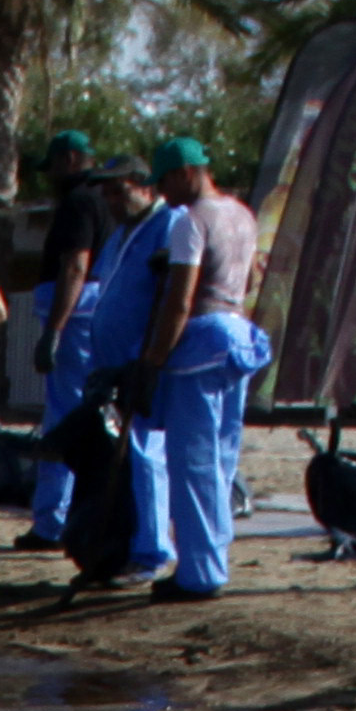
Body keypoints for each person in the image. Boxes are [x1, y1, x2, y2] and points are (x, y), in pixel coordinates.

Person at [141, 137, 271, 604]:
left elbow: (180, 298)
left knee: (192, 461)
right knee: (222, 456)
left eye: (165, 183)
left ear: (186, 173)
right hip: (238, 336)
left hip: (200, 342)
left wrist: (153, 359)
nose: (163, 195)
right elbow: (251, 278)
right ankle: (214, 556)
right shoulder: (242, 214)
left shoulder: (191, 222)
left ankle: (198, 573)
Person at [42, 162, 171, 591]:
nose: (113, 203)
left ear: (147, 188)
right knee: (118, 456)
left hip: (140, 362)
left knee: (146, 452)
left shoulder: (169, 226)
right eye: (108, 195)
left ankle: (150, 554)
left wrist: (144, 360)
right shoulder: (119, 234)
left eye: (121, 192)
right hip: (109, 364)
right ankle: (121, 546)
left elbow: (167, 298)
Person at [16, 129, 106, 549]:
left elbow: (75, 265)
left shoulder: (78, 202)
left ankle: (53, 521)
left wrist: (53, 330)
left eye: (53, 166)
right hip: (95, 316)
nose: (50, 176)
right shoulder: (107, 199)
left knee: (65, 416)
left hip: (74, 319)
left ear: (70, 159)